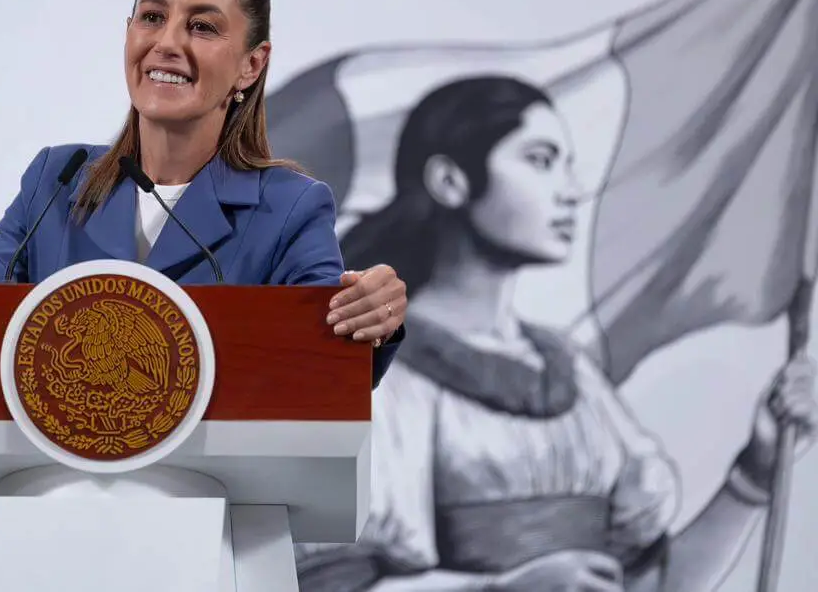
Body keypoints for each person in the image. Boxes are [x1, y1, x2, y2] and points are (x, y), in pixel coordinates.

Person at [0, 0, 408, 399]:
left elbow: (326, 375)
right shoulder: (56, 182)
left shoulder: (289, 208)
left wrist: (374, 319)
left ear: (251, 66)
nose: (167, 43)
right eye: (152, 17)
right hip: (53, 520)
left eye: (202, 26)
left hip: (208, 531)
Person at [296, 75, 816, 592]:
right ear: (450, 181)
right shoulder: (371, 368)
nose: (571, 191)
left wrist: (755, 473)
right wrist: (499, 590)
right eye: (540, 161)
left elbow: (650, 585)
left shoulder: (571, 372)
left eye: (568, 165)